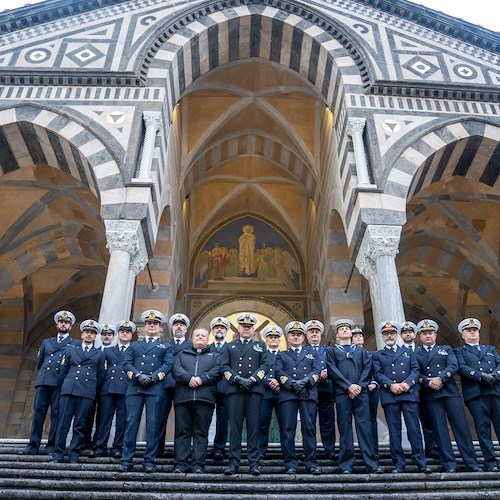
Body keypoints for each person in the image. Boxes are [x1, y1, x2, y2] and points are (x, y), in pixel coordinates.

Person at [416, 319, 480, 473]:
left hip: (449, 392)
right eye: (424, 333)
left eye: (430, 332)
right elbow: (415, 372)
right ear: (420, 336)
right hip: (430, 394)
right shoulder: (415, 353)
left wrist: (440, 378)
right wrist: (427, 382)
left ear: (435, 334)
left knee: (461, 428)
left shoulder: (446, 349)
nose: (428, 335)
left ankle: (471, 462)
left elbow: (453, 365)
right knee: (440, 430)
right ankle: (449, 464)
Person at [372, 321, 430, 473]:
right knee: (394, 430)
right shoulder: (378, 355)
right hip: (390, 395)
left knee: (414, 429)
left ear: (397, 335)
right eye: (386, 333)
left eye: (392, 333)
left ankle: (421, 461)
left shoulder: (409, 352)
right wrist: (391, 385)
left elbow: (415, 369)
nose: (389, 335)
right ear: (382, 336)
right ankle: (398, 463)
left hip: (409, 394)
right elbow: (377, 374)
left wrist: (408, 383)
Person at [118, 310, 173, 473]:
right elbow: (126, 363)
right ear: (145, 326)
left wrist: (155, 377)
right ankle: (126, 460)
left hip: (155, 388)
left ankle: (149, 460)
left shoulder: (166, 346)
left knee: (153, 425)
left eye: (155, 324)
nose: (152, 326)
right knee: (131, 424)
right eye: (149, 324)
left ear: (159, 327)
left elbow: (168, 365)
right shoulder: (134, 345)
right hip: (135, 388)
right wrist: (137, 375)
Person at [326, 319, 382, 474]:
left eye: (347, 329)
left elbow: (367, 370)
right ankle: (346, 465)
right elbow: (332, 370)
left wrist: (358, 386)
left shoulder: (361, 351)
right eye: (341, 329)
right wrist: (348, 386)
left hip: (361, 393)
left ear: (351, 333)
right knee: (345, 428)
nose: (344, 330)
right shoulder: (331, 351)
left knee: (364, 428)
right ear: (337, 334)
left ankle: (371, 464)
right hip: (342, 394)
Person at [21, 310, 78, 455]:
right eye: (61, 322)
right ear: (57, 324)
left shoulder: (74, 344)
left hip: (60, 382)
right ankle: (33, 444)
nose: (63, 324)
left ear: (70, 326)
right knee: (38, 413)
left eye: (66, 323)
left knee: (56, 415)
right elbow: (40, 362)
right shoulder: (47, 342)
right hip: (44, 380)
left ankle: (51, 445)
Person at [220, 313, 269, 476]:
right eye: (243, 326)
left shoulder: (260, 346)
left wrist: (253, 379)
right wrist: (238, 379)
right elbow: (224, 367)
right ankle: (234, 463)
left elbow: (265, 365)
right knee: (235, 428)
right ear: (239, 328)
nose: (246, 329)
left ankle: (253, 463)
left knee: (253, 427)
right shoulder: (229, 346)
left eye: (249, 327)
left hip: (254, 390)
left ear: (253, 329)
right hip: (235, 390)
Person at [51, 320, 105, 463]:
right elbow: (64, 370)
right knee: (62, 424)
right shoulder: (71, 350)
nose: (89, 335)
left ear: (95, 337)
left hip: (86, 392)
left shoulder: (99, 354)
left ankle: (74, 454)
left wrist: (90, 389)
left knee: (80, 425)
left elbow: (101, 375)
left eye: (92, 333)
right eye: (87, 332)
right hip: (69, 390)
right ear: (82, 334)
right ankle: (58, 454)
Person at [172, 328, 222, 473]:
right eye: (197, 335)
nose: (200, 337)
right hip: (183, 398)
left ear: (208, 339)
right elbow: (176, 370)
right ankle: (180, 464)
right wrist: (189, 379)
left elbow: (217, 371)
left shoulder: (216, 356)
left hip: (205, 399)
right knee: (182, 432)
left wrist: (201, 379)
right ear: (192, 339)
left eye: (203, 335)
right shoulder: (181, 355)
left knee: (201, 433)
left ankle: (198, 465)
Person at [454, 318, 500, 472]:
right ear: (463, 335)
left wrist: (495, 375)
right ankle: (490, 461)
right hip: (476, 394)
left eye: (475, 330)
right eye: (468, 330)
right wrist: (481, 376)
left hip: (494, 390)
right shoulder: (460, 351)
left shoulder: (490, 349)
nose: (472, 332)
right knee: (483, 429)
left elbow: (499, 364)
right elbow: (462, 368)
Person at [275, 320, 321, 475]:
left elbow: (317, 371)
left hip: (308, 394)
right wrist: (292, 384)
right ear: (288, 337)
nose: (296, 337)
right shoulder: (282, 355)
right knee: (288, 429)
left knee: (309, 428)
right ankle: (290, 463)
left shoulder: (312, 354)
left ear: (303, 337)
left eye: (298, 335)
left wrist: (304, 382)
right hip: (288, 395)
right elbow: (278, 372)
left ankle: (311, 462)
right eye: (293, 335)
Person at [90, 320, 135, 458]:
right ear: (118, 334)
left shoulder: (134, 350)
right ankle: (100, 446)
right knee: (103, 419)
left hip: (126, 389)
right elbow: (101, 370)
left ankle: (118, 447)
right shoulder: (108, 350)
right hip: (108, 388)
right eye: (122, 332)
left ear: (131, 335)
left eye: (127, 332)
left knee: (122, 421)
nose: (124, 334)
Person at [400, 320, 438, 460]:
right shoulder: (399, 351)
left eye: (410, 332)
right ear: (401, 335)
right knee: (412, 422)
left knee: (428, 420)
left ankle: (431, 447)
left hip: (425, 390)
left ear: (415, 334)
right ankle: (416, 449)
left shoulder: (421, 350)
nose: (408, 334)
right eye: (405, 332)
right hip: (409, 392)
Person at [156, 313, 192, 457]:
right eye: (176, 325)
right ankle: (158, 450)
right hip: (164, 385)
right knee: (160, 418)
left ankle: (181, 452)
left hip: (183, 386)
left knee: (183, 421)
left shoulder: (190, 346)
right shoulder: (164, 345)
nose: (179, 327)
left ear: (186, 329)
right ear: (171, 328)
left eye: (181, 325)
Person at [305, 319, 336, 460]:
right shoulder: (303, 350)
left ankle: (329, 449)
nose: (314, 334)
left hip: (326, 389)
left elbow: (335, 366)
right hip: (309, 389)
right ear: (307, 335)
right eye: (311, 332)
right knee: (309, 422)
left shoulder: (328, 350)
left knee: (328, 421)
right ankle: (310, 452)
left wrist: (327, 372)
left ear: (321, 334)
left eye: (317, 332)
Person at [351, 326, 380, 458]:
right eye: (355, 336)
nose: (358, 338)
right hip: (357, 390)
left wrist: (373, 383)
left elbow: (376, 370)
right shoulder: (350, 355)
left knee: (371, 419)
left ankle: (374, 448)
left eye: (360, 336)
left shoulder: (371, 354)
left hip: (372, 389)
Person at [258, 325, 284, 460]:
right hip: (264, 394)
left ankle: (286, 450)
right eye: (270, 337)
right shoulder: (261, 355)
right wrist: (268, 381)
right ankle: (261, 450)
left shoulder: (285, 355)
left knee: (284, 424)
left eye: (276, 337)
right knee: (262, 423)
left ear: (280, 340)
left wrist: (280, 382)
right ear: (266, 340)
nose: (273, 339)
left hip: (282, 394)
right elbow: (256, 371)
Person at [208, 316, 231, 461]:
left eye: (222, 328)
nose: (219, 329)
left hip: (225, 388)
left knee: (223, 420)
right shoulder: (206, 348)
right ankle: (202, 447)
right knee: (204, 419)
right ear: (212, 330)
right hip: (207, 388)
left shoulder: (231, 348)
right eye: (217, 328)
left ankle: (219, 448)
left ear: (227, 331)